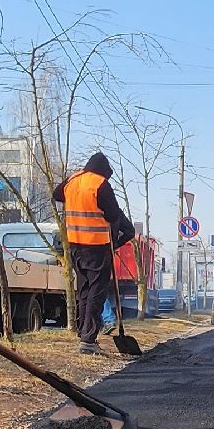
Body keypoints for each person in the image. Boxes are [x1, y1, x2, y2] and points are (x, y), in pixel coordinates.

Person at [56, 151, 136, 357]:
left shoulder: (73, 180)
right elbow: (112, 214)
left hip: (75, 246)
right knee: (96, 292)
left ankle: (84, 332)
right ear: (104, 171)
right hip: (96, 247)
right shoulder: (100, 184)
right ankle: (88, 340)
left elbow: (56, 194)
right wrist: (117, 238)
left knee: (83, 290)